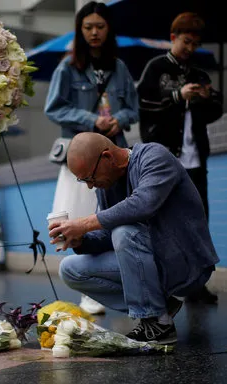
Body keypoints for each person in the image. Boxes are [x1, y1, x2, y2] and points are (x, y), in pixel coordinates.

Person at [49, 132, 219, 345]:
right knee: (70, 269)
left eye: (90, 178)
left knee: (124, 231)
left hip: (184, 263)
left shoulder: (154, 156)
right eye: (84, 181)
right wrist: (81, 240)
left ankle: (157, 324)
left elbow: (143, 205)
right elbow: (105, 234)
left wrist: (84, 223)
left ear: (108, 157)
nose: (90, 186)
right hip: (148, 260)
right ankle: (160, 307)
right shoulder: (106, 185)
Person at [45, 1, 139, 315]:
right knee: (79, 214)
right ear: (80, 30)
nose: (94, 32)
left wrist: (119, 118)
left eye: (100, 26)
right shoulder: (67, 67)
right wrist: (90, 120)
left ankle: (121, 280)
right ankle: (88, 289)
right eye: (88, 27)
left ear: (108, 29)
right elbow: (53, 107)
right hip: (81, 155)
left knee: (115, 215)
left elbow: (134, 108)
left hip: (113, 154)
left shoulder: (120, 67)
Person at [136, 12, 222, 304]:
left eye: (195, 44)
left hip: (195, 156)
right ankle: (165, 283)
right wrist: (177, 96)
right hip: (164, 157)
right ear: (173, 38)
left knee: (199, 221)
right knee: (161, 219)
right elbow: (143, 105)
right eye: (186, 41)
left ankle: (198, 284)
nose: (190, 48)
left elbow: (216, 110)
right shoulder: (157, 67)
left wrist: (206, 97)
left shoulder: (200, 74)